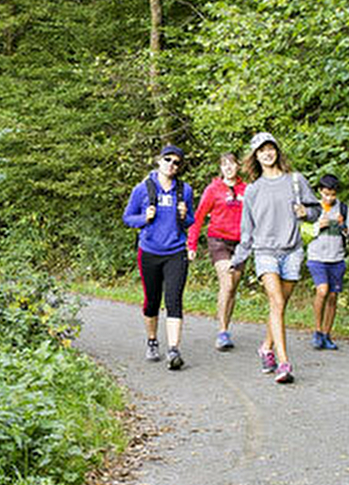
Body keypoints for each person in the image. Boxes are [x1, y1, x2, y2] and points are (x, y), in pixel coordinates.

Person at [228, 132, 319, 384]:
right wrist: (239, 259)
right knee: (276, 301)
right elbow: (247, 230)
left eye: (270, 148)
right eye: (261, 150)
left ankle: (266, 347)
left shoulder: (295, 181)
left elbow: (315, 210)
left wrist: (305, 212)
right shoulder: (253, 191)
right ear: (255, 157)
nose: (267, 153)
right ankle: (284, 363)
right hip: (265, 252)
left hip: (292, 251)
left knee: (279, 306)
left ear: (277, 151)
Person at [122, 145, 196, 370]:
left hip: (176, 251)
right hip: (150, 251)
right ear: (158, 160)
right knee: (152, 301)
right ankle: (152, 341)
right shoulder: (142, 189)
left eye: (176, 162)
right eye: (168, 160)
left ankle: (173, 350)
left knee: (174, 300)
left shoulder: (185, 190)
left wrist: (185, 217)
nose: (171, 165)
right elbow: (128, 218)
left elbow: (190, 220)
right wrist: (144, 218)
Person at [187, 152, 246, 351]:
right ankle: (221, 332)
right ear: (220, 168)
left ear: (238, 166)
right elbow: (199, 216)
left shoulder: (246, 189)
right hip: (218, 241)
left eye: (232, 164)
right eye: (224, 165)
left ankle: (226, 328)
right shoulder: (213, 189)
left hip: (240, 244)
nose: (228, 167)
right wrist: (192, 245)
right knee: (227, 284)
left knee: (233, 289)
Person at [306, 173, 349, 350]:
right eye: (326, 194)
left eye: (333, 194)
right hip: (316, 258)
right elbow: (301, 233)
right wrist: (317, 227)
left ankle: (327, 335)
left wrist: (343, 227)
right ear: (320, 191)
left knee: (333, 296)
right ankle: (317, 331)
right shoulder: (313, 209)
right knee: (322, 291)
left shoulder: (343, 209)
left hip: (337, 258)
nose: (329, 197)